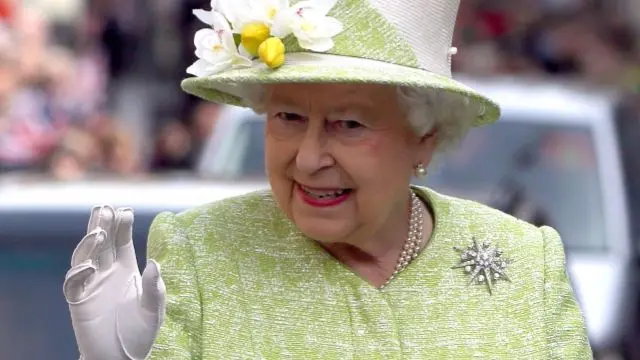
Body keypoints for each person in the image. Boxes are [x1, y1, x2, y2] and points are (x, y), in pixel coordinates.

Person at [63, 0, 593, 359]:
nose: (309, 158)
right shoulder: (200, 254)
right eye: (288, 117)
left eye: (349, 124)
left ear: (425, 137)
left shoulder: (524, 261)